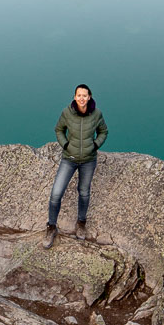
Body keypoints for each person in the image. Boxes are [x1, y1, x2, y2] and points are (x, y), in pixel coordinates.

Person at [43, 83, 108, 248]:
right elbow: (59, 130)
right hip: (69, 159)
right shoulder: (67, 113)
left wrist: (95, 145)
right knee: (56, 193)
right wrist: (65, 145)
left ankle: (81, 223)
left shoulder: (97, 114)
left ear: (89, 97)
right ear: (75, 97)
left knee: (84, 192)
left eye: (84, 95)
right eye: (79, 95)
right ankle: (51, 227)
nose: (82, 98)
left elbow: (103, 131)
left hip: (88, 160)